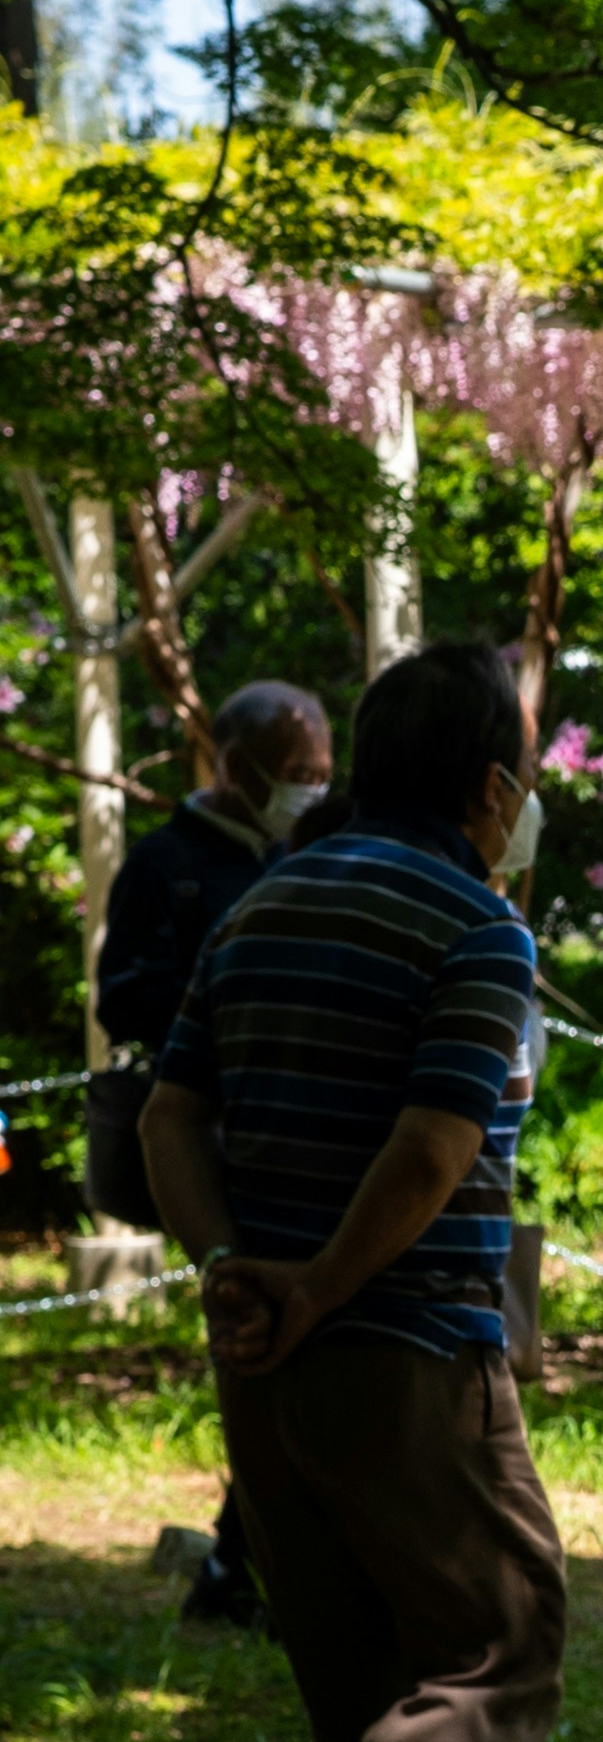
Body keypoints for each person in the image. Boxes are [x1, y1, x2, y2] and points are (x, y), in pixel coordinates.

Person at [136, 637, 565, 1742]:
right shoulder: (477, 925)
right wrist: (324, 1285)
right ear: (490, 788)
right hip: (408, 1355)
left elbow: (171, 1115)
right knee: (504, 1645)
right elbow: (436, 1149)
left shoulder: (262, 904)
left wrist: (230, 1268)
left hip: (266, 1368)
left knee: (362, 1679)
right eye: (521, 778)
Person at [91, 673, 337, 1633]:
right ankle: (239, 1568)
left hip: (297, 1141)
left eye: (321, 769)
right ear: (234, 768)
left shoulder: (310, 852)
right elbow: (123, 999)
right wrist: (230, 1004)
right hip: (216, 1154)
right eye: (295, 770)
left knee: (293, 1357)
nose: (311, 785)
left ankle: (244, 1563)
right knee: (258, 1349)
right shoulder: (165, 864)